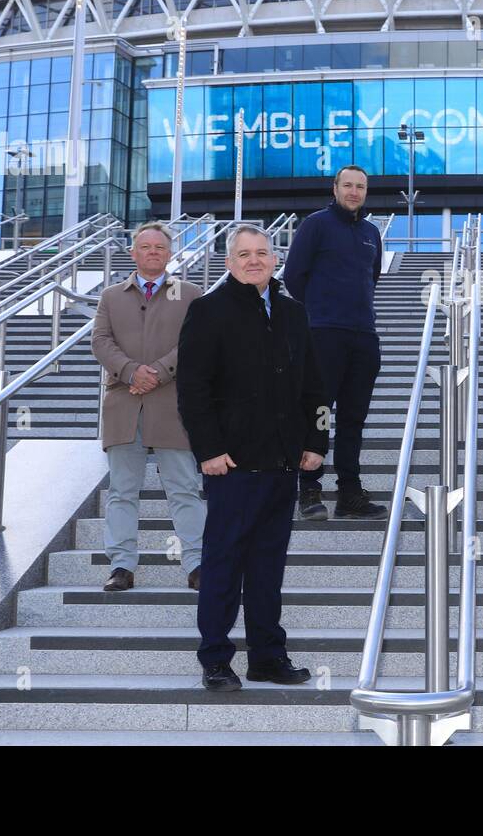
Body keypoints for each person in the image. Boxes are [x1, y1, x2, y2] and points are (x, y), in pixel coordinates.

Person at [176, 224, 330, 692]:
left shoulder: (293, 313)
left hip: (283, 466)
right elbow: (192, 390)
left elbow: (315, 387)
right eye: (244, 254)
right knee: (223, 566)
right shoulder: (207, 311)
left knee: (267, 569)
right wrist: (208, 451)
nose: (254, 261)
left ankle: (267, 656)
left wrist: (316, 442)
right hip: (231, 467)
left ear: (275, 259)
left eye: (262, 253)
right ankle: (216, 660)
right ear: (229, 262)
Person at [91, 221, 204, 593]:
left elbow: (195, 342)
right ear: (133, 253)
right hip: (124, 405)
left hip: (173, 406)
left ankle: (198, 563)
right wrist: (129, 371)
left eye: (160, 247)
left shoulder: (189, 294)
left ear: (170, 254)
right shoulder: (111, 296)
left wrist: (157, 372)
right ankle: (121, 566)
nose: (153, 251)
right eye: (146, 246)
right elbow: (101, 342)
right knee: (123, 490)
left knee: (184, 488)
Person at [282, 165, 387, 520]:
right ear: (335, 188)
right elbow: (294, 276)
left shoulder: (373, 232)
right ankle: (309, 490)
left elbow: (371, 278)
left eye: (360, 186)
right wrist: (318, 311)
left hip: (364, 336)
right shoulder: (316, 225)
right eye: (348, 185)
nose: (354, 192)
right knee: (317, 413)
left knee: (354, 419)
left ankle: (349, 494)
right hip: (323, 334)